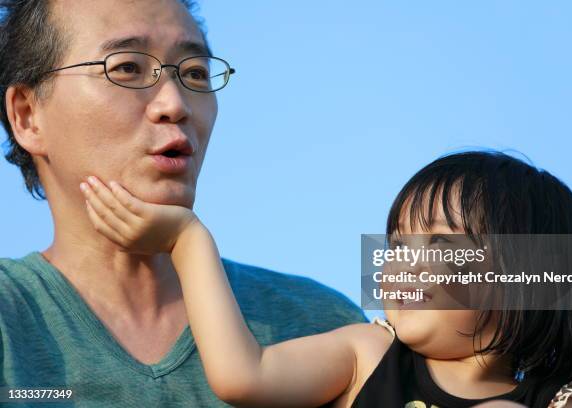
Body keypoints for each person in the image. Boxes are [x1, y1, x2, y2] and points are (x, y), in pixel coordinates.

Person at [0, 0, 365, 406]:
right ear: (27, 116)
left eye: (194, 73)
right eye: (126, 68)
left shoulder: (324, 327)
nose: (175, 104)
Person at [80, 150, 572, 407]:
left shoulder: (563, 400)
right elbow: (244, 375)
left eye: (443, 245)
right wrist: (189, 241)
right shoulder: (365, 356)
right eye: (398, 245)